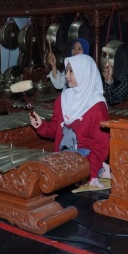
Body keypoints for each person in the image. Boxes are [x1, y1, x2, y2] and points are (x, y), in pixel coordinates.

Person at [30, 54, 110, 187]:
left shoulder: (97, 107)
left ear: (85, 73)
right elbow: (57, 130)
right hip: (64, 158)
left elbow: (101, 145)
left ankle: (100, 169)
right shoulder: (63, 99)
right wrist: (41, 126)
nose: (66, 75)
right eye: (66, 70)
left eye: (71, 71)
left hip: (85, 161)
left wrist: (91, 173)